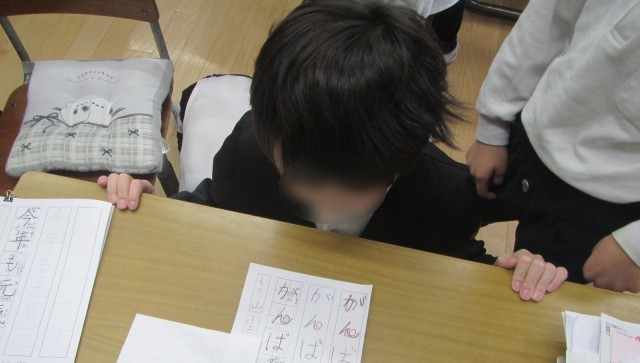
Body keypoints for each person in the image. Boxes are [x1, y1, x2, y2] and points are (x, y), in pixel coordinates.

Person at [99, 0, 567, 301]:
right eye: (302, 178)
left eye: (350, 189)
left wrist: (518, 272)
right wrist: (155, 210)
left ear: (401, 163)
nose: (323, 201)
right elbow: (213, 208)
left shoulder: (444, 194)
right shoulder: (249, 148)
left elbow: (460, 265)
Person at [466, 0, 640, 293]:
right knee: (437, 218)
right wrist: (492, 127)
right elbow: (548, 17)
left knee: (532, 295)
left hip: (608, 200)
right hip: (533, 133)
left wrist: (635, 244)